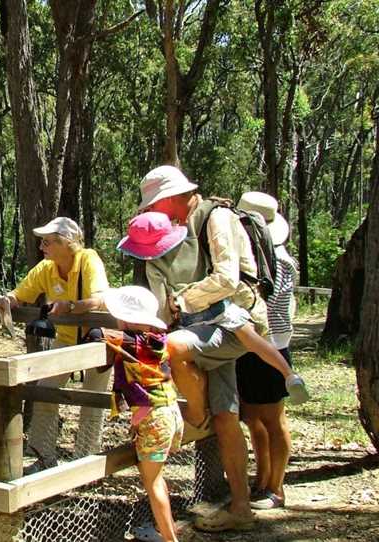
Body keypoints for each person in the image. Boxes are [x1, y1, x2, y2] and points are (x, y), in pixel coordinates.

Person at [134, 165, 256, 532]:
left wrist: (182, 301)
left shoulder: (215, 218)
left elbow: (228, 278)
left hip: (233, 325)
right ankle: (241, 507)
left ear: (169, 198)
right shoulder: (177, 229)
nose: (153, 212)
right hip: (205, 326)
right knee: (227, 416)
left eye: (154, 205)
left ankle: (193, 422)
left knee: (172, 349)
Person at [118, 212, 309, 406]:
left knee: (180, 356)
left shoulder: (154, 266)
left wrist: (166, 320)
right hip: (221, 306)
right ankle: (289, 374)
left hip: (190, 317)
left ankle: (197, 409)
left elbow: (161, 305)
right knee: (256, 342)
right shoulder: (193, 247)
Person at [0, 217, 110, 473]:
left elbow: (100, 299)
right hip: (66, 340)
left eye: (47, 242)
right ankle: (43, 456)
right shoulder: (46, 268)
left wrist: (70, 307)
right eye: (42, 242)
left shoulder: (88, 259)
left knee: (92, 401)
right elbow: (22, 293)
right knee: (45, 392)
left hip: (96, 340)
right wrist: (7, 300)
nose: (42, 247)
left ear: (66, 243)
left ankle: (85, 463)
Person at [87, 286, 184, 542]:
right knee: (157, 477)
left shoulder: (134, 341)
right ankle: (169, 530)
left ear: (127, 319)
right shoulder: (157, 339)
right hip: (170, 412)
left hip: (155, 418)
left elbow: (99, 334)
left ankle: (170, 539)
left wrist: (94, 335)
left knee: (152, 484)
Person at [235, 192, 298, 510]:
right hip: (244, 346)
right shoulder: (242, 256)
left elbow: (275, 312)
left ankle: (277, 487)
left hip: (272, 346)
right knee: (252, 416)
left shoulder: (281, 262)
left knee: (273, 419)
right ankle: (261, 478)